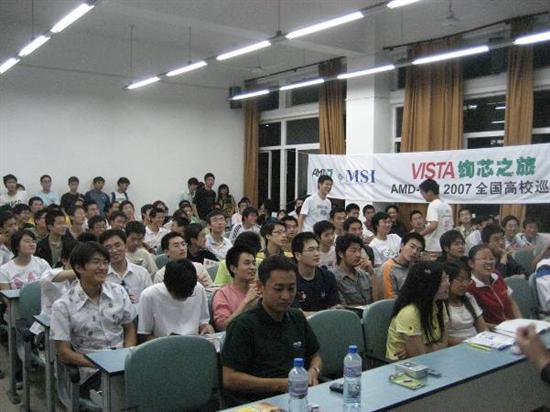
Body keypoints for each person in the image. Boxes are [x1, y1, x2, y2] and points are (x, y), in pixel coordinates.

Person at [221, 255, 322, 406]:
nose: (286, 296)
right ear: (260, 287)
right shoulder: (243, 325)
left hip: (299, 397)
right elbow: (230, 378)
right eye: (278, 289)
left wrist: (313, 371)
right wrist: (280, 384)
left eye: (291, 288)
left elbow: (315, 355)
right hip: (260, 402)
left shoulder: (297, 317)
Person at [50, 241, 137, 392]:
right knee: (126, 393)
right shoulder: (63, 306)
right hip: (92, 370)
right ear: (79, 268)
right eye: (96, 262)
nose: (103, 268)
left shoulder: (118, 291)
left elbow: (129, 328)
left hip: (123, 362)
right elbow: (63, 352)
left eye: (105, 262)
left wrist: (127, 355)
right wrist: (100, 364)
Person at [386, 261, 449, 361]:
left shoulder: (438, 304)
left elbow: (444, 344)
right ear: (427, 285)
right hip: (402, 365)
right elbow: (419, 355)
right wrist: (433, 347)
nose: (448, 284)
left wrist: (423, 348)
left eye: (447, 278)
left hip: (434, 360)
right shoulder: (410, 313)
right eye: (442, 281)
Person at [138, 259, 213, 339]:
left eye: (190, 294)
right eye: (179, 294)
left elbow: (203, 322)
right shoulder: (148, 296)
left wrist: (206, 327)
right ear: (166, 284)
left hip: (194, 340)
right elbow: (144, 335)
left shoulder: (198, 288)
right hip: (163, 342)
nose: (185, 297)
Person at [466, 244, 523, 326]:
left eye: (491, 258)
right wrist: (500, 328)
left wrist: (521, 322)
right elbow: (475, 322)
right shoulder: (469, 287)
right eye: (484, 258)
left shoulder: (496, 275)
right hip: (494, 330)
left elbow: (511, 302)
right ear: (471, 263)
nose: (489, 262)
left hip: (513, 325)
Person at [212, 245, 259, 331]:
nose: (253, 267)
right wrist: (246, 302)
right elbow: (223, 327)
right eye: (247, 263)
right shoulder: (222, 294)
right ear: (233, 268)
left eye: (254, 263)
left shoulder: (259, 290)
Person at [292, 232, 340, 313]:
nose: (317, 254)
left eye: (317, 249)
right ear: (298, 255)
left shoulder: (327, 276)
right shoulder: (289, 280)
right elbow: (297, 314)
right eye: (311, 250)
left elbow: (334, 307)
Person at [100, 229, 152, 302]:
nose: (114, 250)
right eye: (108, 247)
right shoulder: (100, 276)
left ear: (126, 246)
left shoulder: (142, 273)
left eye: (117, 245)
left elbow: (151, 300)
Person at [444, 261, 488, 345]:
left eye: (467, 280)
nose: (465, 284)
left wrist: (488, 340)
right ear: (448, 280)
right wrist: (467, 342)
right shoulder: (441, 303)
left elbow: (483, 328)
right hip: (457, 346)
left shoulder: (469, 297)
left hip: (477, 343)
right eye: (460, 280)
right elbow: (443, 339)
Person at [333, 233, 376, 305]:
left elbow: (377, 302)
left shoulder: (364, 275)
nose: (358, 255)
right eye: (353, 251)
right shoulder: (334, 278)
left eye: (359, 250)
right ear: (341, 253)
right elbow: (342, 308)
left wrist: (372, 274)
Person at [382, 232, 425, 299]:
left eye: (418, 250)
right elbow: (390, 297)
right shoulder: (388, 267)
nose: (414, 252)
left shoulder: (415, 267)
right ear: (402, 246)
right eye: (412, 247)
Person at [419, 179, 454, 258]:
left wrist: (419, 235)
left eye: (422, 193)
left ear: (429, 192)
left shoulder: (433, 205)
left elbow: (433, 225)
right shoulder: (447, 206)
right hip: (446, 246)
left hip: (433, 247)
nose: (422, 196)